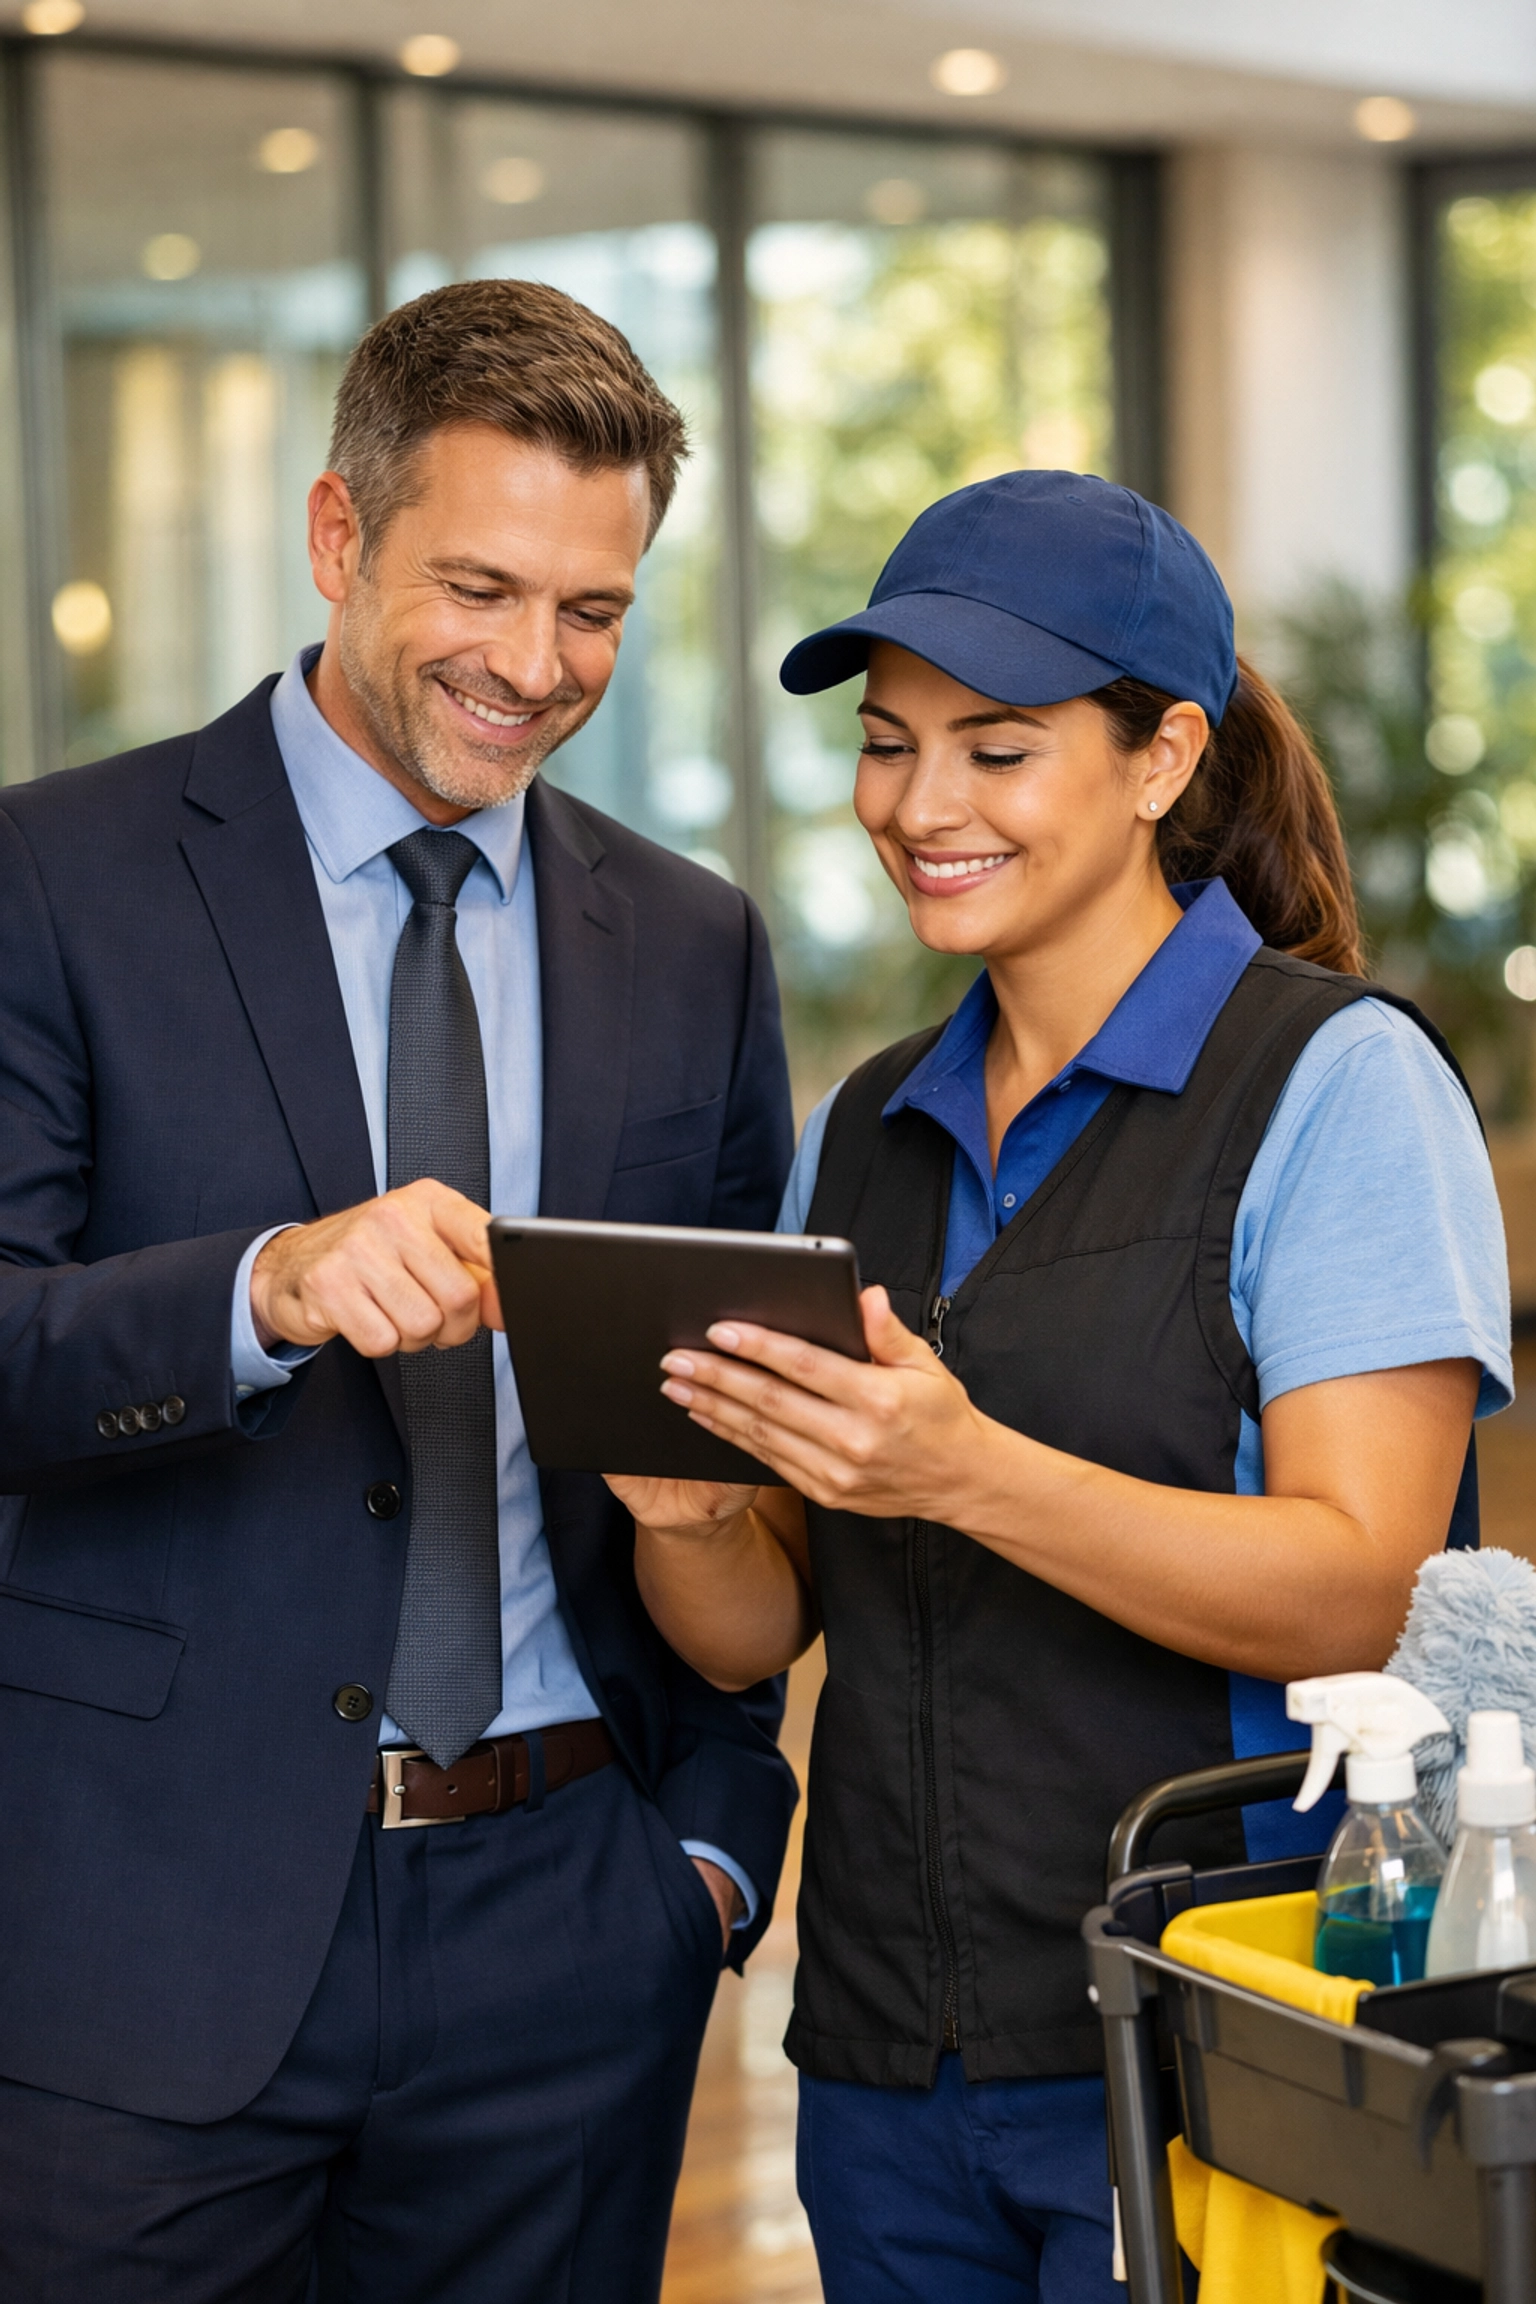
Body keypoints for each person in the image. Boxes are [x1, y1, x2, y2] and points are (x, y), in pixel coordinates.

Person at [612, 470, 1513, 2303]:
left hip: (1218, 2027)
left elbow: (1364, 1585)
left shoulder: (1338, 1086)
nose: (919, 807)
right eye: (887, 747)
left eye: (996, 751)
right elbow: (750, 1634)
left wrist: (963, 1468)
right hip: (883, 2053)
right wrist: (694, 1517)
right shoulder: (863, 1127)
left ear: (1166, 756)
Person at [0, 278, 797, 2302]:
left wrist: (699, 1860)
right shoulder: (55, 879)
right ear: (338, 538)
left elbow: (735, 1424)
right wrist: (261, 1289)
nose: (536, 667)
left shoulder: (692, 943)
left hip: (569, 1932)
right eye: (483, 588)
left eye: (595, 612)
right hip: (134, 1949)